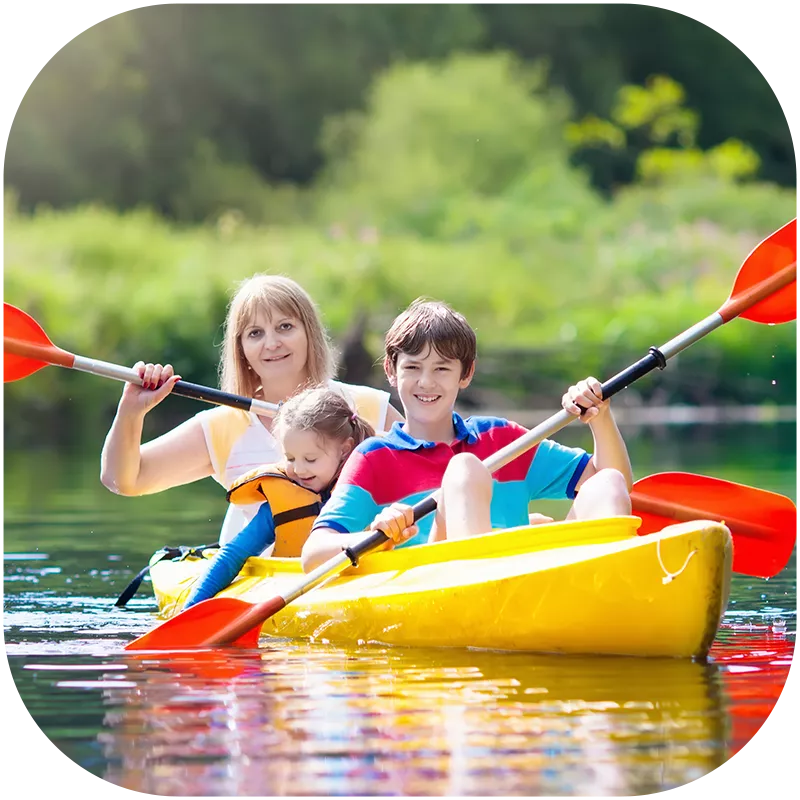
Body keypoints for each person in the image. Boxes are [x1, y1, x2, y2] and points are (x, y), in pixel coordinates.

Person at [301, 298, 633, 572]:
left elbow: (613, 485)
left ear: (466, 373)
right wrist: (374, 534)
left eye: (442, 369)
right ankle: (485, 585)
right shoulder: (373, 458)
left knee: (607, 483)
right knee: (465, 470)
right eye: (413, 368)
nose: (426, 383)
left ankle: (609, 591)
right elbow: (313, 553)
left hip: (526, 584)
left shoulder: (502, 438)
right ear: (391, 370)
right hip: (444, 588)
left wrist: (600, 417)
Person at [99, 274, 403, 547]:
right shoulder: (222, 426)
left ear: (309, 333)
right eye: (255, 333)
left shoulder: (367, 407)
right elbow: (122, 480)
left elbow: (435, 466)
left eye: (285, 327)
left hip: (360, 564)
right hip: (261, 582)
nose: (271, 343)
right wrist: (131, 412)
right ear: (241, 348)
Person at [181, 385, 376, 608]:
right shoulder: (279, 503)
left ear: (344, 449)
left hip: (365, 585)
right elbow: (234, 554)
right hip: (299, 594)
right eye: (290, 458)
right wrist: (191, 608)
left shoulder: (370, 488)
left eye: (310, 459)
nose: (299, 470)